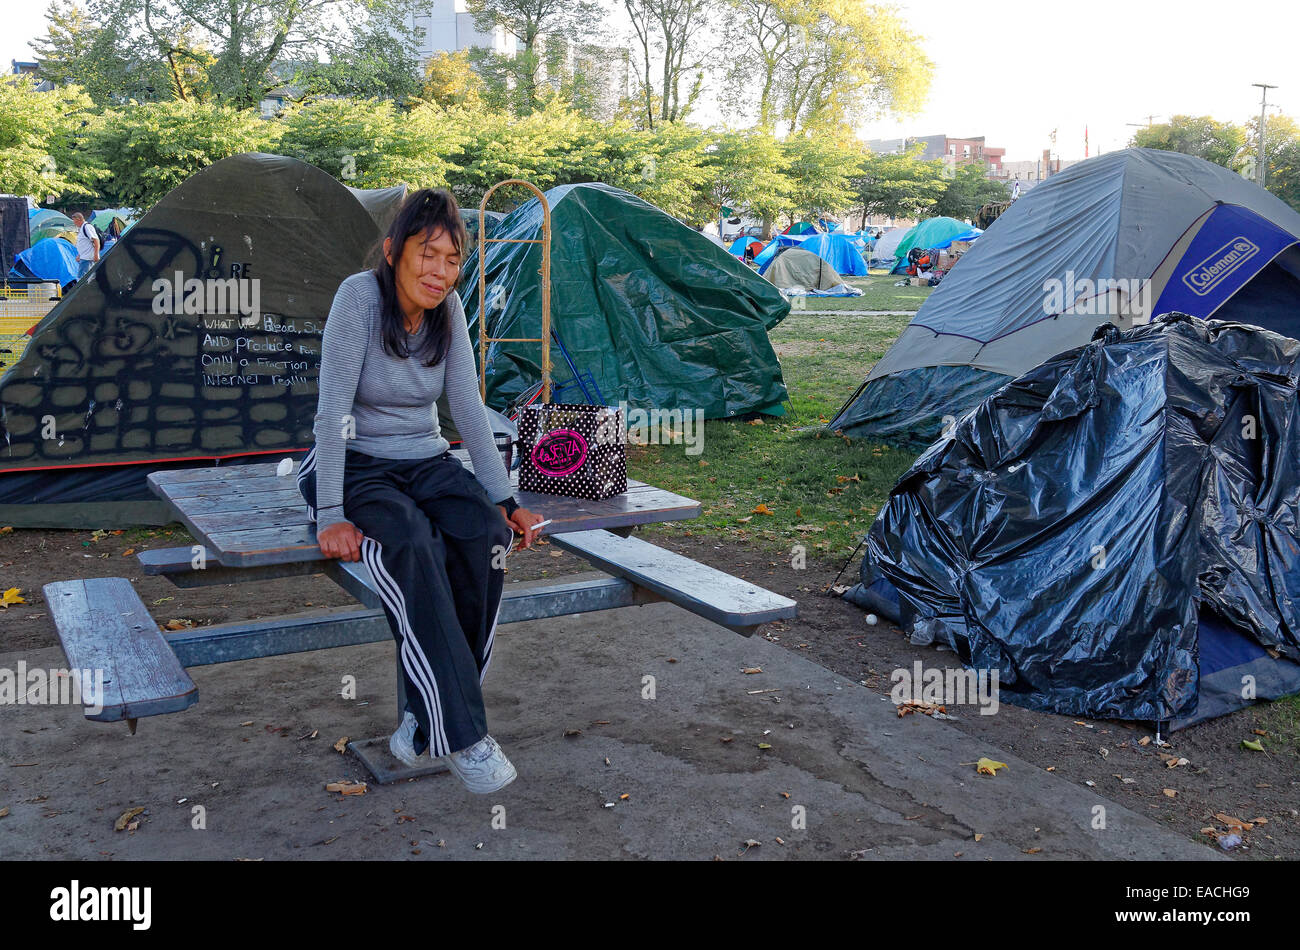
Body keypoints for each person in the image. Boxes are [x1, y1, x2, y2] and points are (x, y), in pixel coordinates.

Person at [298, 188, 545, 794]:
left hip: (426, 460)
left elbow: (466, 405)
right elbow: (332, 409)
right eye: (427, 254)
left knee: (483, 537)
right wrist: (331, 511)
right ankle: (464, 737)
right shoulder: (359, 297)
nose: (439, 272)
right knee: (411, 540)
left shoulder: (449, 308)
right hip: (356, 464)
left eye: (453, 259)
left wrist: (505, 500)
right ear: (393, 252)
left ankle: (424, 715)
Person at [71, 211, 99, 279]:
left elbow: (96, 240)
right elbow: (86, 243)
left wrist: (96, 255)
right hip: (84, 257)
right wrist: (80, 255)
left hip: (88, 258)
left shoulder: (87, 227)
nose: (74, 223)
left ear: (78, 219)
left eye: (74, 221)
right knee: (84, 278)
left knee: (82, 279)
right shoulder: (82, 228)